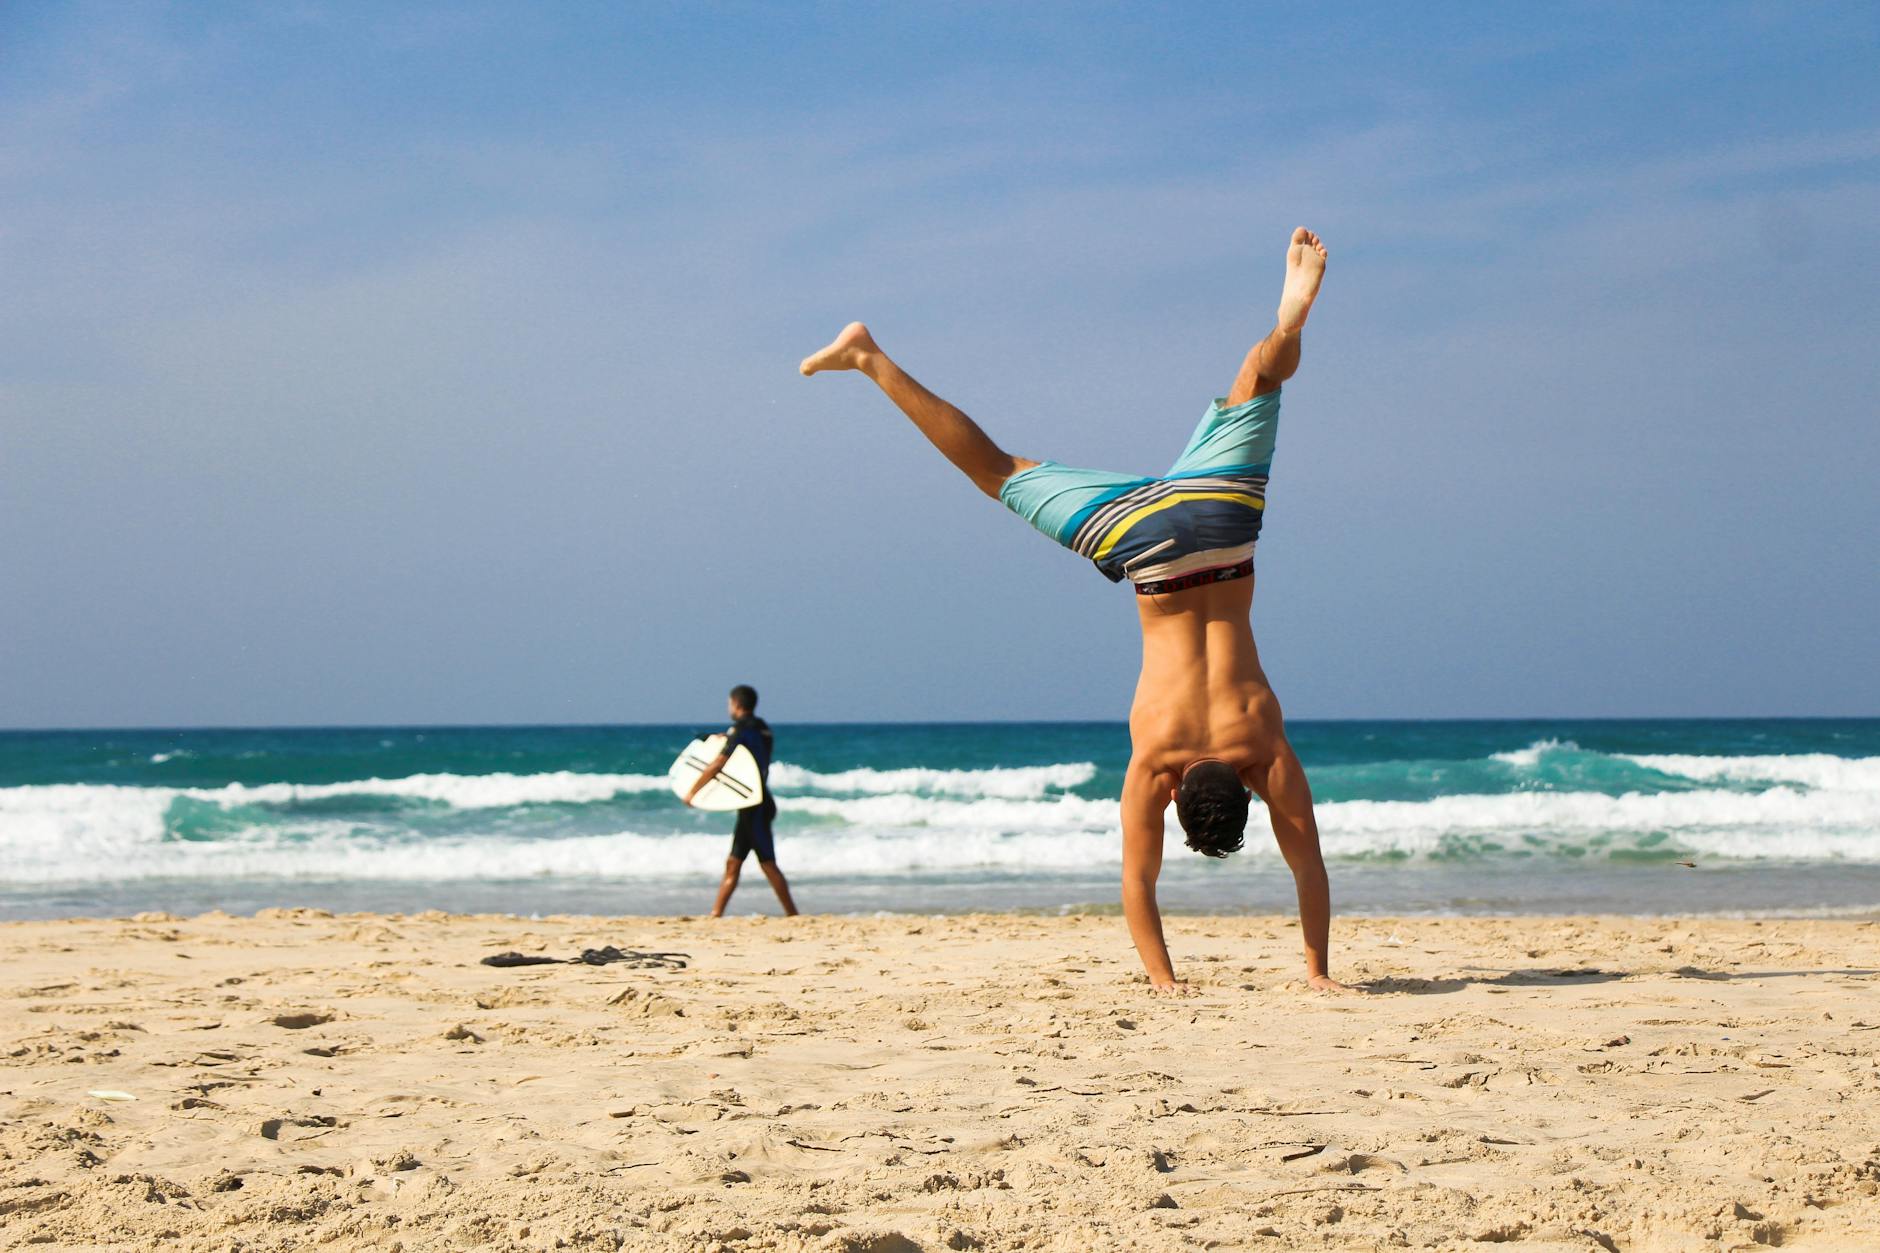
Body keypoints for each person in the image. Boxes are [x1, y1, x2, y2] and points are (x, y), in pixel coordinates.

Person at [801, 228, 1345, 993]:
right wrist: (1164, 978)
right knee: (996, 471)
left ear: (1247, 790)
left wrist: (1320, 969)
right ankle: (868, 357)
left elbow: (1311, 868)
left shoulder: (1263, 746)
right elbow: (1139, 882)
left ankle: (1286, 325)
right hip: (1147, 553)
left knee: (1260, 378)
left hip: (1221, 524)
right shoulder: (1157, 759)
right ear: (1175, 797)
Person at [682, 684, 799, 918]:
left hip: (754, 806)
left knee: (767, 862)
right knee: (734, 862)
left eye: (729, 703)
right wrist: (724, 737)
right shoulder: (763, 729)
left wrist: (692, 791)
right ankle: (716, 914)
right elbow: (750, 751)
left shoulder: (741, 730)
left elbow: (718, 764)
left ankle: (793, 915)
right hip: (758, 802)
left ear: (736, 704)